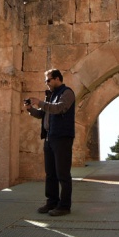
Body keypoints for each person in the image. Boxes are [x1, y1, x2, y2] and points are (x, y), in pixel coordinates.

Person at [25, 68, 75, 216]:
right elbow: (43, 114)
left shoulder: (67, 93)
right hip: (49, 137)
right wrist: (30, 109)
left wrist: (40, 102)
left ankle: (64, 206)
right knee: (50, 173)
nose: (46, 83)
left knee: (63, 173)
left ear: (58, 79)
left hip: (62, 138)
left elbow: (59, 108)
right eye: (45, 80)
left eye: (48, 80)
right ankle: (52, 202)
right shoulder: (51, 96)